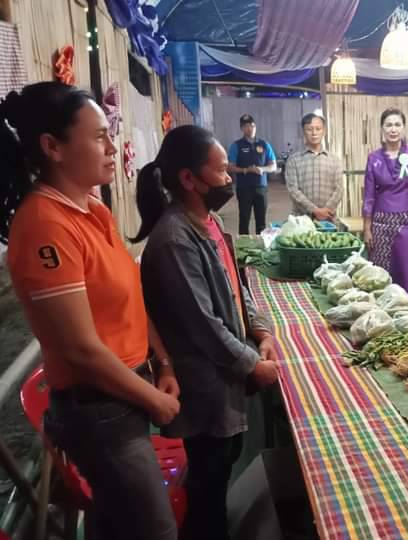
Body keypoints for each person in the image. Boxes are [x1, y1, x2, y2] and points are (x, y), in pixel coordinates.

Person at [0, 82, 179, 540]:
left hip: (127, 391)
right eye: (99, 136)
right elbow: (80, 350)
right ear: (53, 147)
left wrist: (162, 362)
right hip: (101, 412)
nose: (112, 147)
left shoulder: (91, 210)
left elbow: (129, 295)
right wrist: (153, 400)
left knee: (116, 522)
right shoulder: (45, 226)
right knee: (154, 531)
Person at [131, 125, 280, 540]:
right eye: (221, 171)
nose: (229, 178)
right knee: (209, 485)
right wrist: (252, 365)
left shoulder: (207, 221)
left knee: (221, 468)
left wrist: (261, 331)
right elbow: (203, 325)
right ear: (189, 179)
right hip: (205, 387)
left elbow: (235, 287)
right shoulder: (175, 239)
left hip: (223, 379)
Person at [362, 108, 408, 302]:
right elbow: (369, 196)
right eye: (388, 125)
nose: (393, 129)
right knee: (380, 276)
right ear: (382, 129)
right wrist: (367, 229)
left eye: (397, 124)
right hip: (380, 225)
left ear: (403, 128)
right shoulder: (374, 158)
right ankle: (380, 314)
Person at [284, 113, 343, 220]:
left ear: (324, 131)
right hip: (301, 220)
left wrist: (326, 210)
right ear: (303, 132)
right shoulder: (293, 160)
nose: (314, 133)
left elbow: (339, 189)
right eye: (309, 129)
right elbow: (293, 190)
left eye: (318, 129)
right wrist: (315, 210)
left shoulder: (335, 160)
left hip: (328, 220)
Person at [227, 114, 277, 234]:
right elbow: (230, 167)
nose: (249, 128)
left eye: (252, 125)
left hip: (261, 188)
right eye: (246, 126)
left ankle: (261, 243)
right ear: (241, 128)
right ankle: (243, 244)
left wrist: (263, 169)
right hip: (244, 189)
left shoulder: (264, 145)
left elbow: (273, 166)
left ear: (255, 126)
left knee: (261, 221)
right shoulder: (236, 146)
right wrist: (246, 170)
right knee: (244, 219)